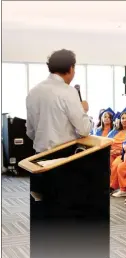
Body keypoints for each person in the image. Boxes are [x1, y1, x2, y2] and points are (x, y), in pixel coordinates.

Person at [26, 49, 93, 201]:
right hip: (63, 160)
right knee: (64, 208)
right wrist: (84, 110)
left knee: (42, 208)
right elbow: (84, 130)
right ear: (71, 68)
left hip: (39, 158)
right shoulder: (68, 92)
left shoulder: (33, 92)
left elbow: (30, 132)